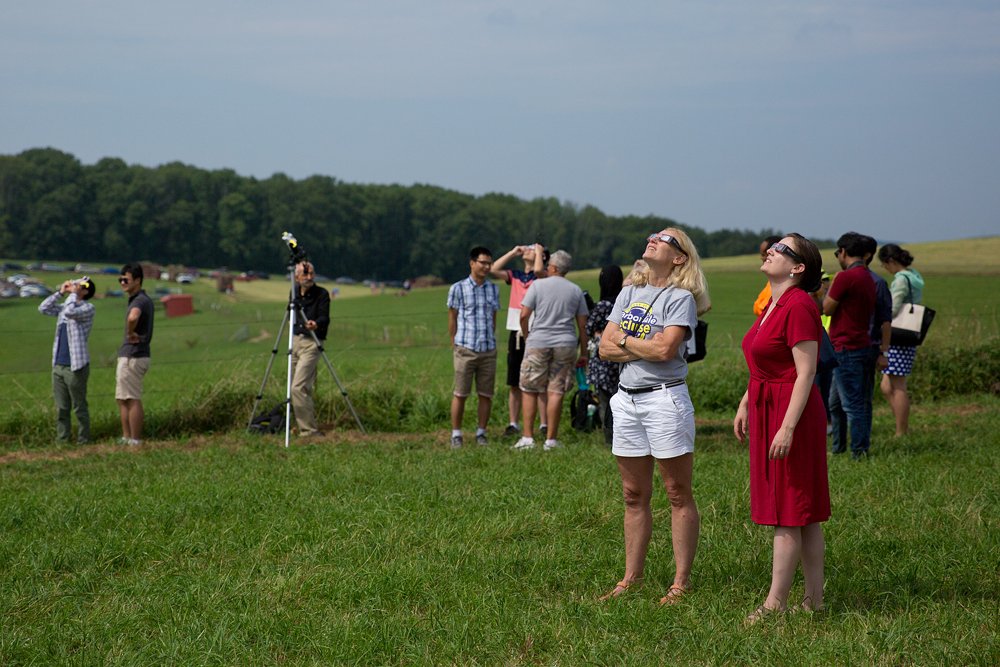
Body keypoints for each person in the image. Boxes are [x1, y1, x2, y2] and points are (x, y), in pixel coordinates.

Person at [597, 228, 711, 605]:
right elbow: (602, 348)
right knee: (633, 494)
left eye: (664, 239)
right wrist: (644, 345)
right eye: (651, 236)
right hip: (626, 400)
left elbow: (665, 351)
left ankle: (681, 582)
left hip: (665, 401)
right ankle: (632, 578)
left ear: (679, 257)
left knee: (677, 493)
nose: (652, 240)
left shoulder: (681, 298)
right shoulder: (628, 293)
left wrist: (627, 342)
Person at [734, 234, 831, 622]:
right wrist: (745, 401)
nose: (771, 249)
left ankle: (776, 603)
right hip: (766, 404)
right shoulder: (772, 304)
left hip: (792, 411)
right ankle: (814, 600)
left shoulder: (799, 305)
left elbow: (806, 372)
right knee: (800, 510)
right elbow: (764, 359)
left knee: (789, 508)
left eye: (782, 249)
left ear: (798, 267)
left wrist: (787, 428)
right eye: (773, 245)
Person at [514, 250, 589, 451]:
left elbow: (523, 315)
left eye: (548, 266)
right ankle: (551, 440)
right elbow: (583, 325)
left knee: (530, 388)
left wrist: (527, 335)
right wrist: (584, 352)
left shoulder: (537, 285)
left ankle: (528, 438)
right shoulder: (575, 290)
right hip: (565, 343)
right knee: (556, 390)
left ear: (554, 268)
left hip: (538, 340)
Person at [823, 232, 877, 460]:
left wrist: (820, 293)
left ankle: (859, 451)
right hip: (863, 344)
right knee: (837, 402)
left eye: (838, 253)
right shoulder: (868, 276)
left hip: (845, 346)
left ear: (843, 251)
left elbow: (827, 308)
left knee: (852, 405)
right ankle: (838, 446)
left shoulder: (844, 278)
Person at [489, 243, 549, 438]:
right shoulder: (515, 276)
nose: (528, 251)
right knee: (514, 380)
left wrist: (539, 252)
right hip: (516, 331)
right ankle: (513, 423)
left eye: (533, 250)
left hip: (537, 330)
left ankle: (544, 424)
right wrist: (512, 252)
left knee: (540, 380)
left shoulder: (542, 277)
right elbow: (493, 269)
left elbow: (539, 270)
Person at [447, 246, 500, 448]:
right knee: (460, 393)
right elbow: (452, 318)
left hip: (488, 348)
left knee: (486, 394)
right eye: (483, 262)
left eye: (489, 263)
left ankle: (481, 432)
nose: (486, 267)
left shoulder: (493, 289)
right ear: (472, 263)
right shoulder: (457, 288)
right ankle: (456, 434)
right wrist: (455, 343)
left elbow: (493, 319)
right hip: (465, 348)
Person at [39, 276, 96, 444]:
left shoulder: (87, 308)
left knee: (79, 406)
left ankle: (84, 439)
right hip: (58, 364)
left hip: (76, 366)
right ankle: (62, 439)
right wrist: (60, 292)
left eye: (79, 285)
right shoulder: (66, 305)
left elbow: (71, 312)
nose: (75, 287)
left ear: (85, 290)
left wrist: (73, 294)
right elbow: (43, 308)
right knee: (62, 407)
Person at [878, 244, 925, 436]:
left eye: (884, 264)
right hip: (908, 335)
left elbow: (893, 307)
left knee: (897, 385)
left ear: (890, 261)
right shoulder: (913, 275)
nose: (885, 269)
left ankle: (901, 430)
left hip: (898, 335)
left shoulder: (901, 279)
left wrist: (881, 319)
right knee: (887, 385)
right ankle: (901, 426)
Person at [291, 260, 330, 438]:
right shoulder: (293, 293)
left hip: (312, 342)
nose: (309, 277)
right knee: (295, 387)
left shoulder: (322, 294)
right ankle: (296, 425)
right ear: (296, 277)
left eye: (311, 274)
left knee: (297, 388)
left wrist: (316, 324)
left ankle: (309, 431)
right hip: (295, 341)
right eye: (305, 274)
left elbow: (325, 317)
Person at [586, 265, 624, 446]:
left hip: (603, 360)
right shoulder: (625, 301)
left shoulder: (603, 305)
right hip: (621, 357)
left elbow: (589, 328)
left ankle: (610, 439)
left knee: (605, 401)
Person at [116, 263, 154, 446]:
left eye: (126, 279)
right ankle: (127, 437)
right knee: (123, 398)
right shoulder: (139, 298)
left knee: (130, 398)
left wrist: (131, 333)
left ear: (137, 280)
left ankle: (135, 439)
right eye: (120, 279)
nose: (122, 282)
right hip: (134, 355)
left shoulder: (139, 300)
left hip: (133, 355)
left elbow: (133, 317)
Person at [753, 235, 784, 316]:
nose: (762, 258)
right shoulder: (771, 282)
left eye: (764, 254)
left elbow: (764, 309)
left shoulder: (782, 283)